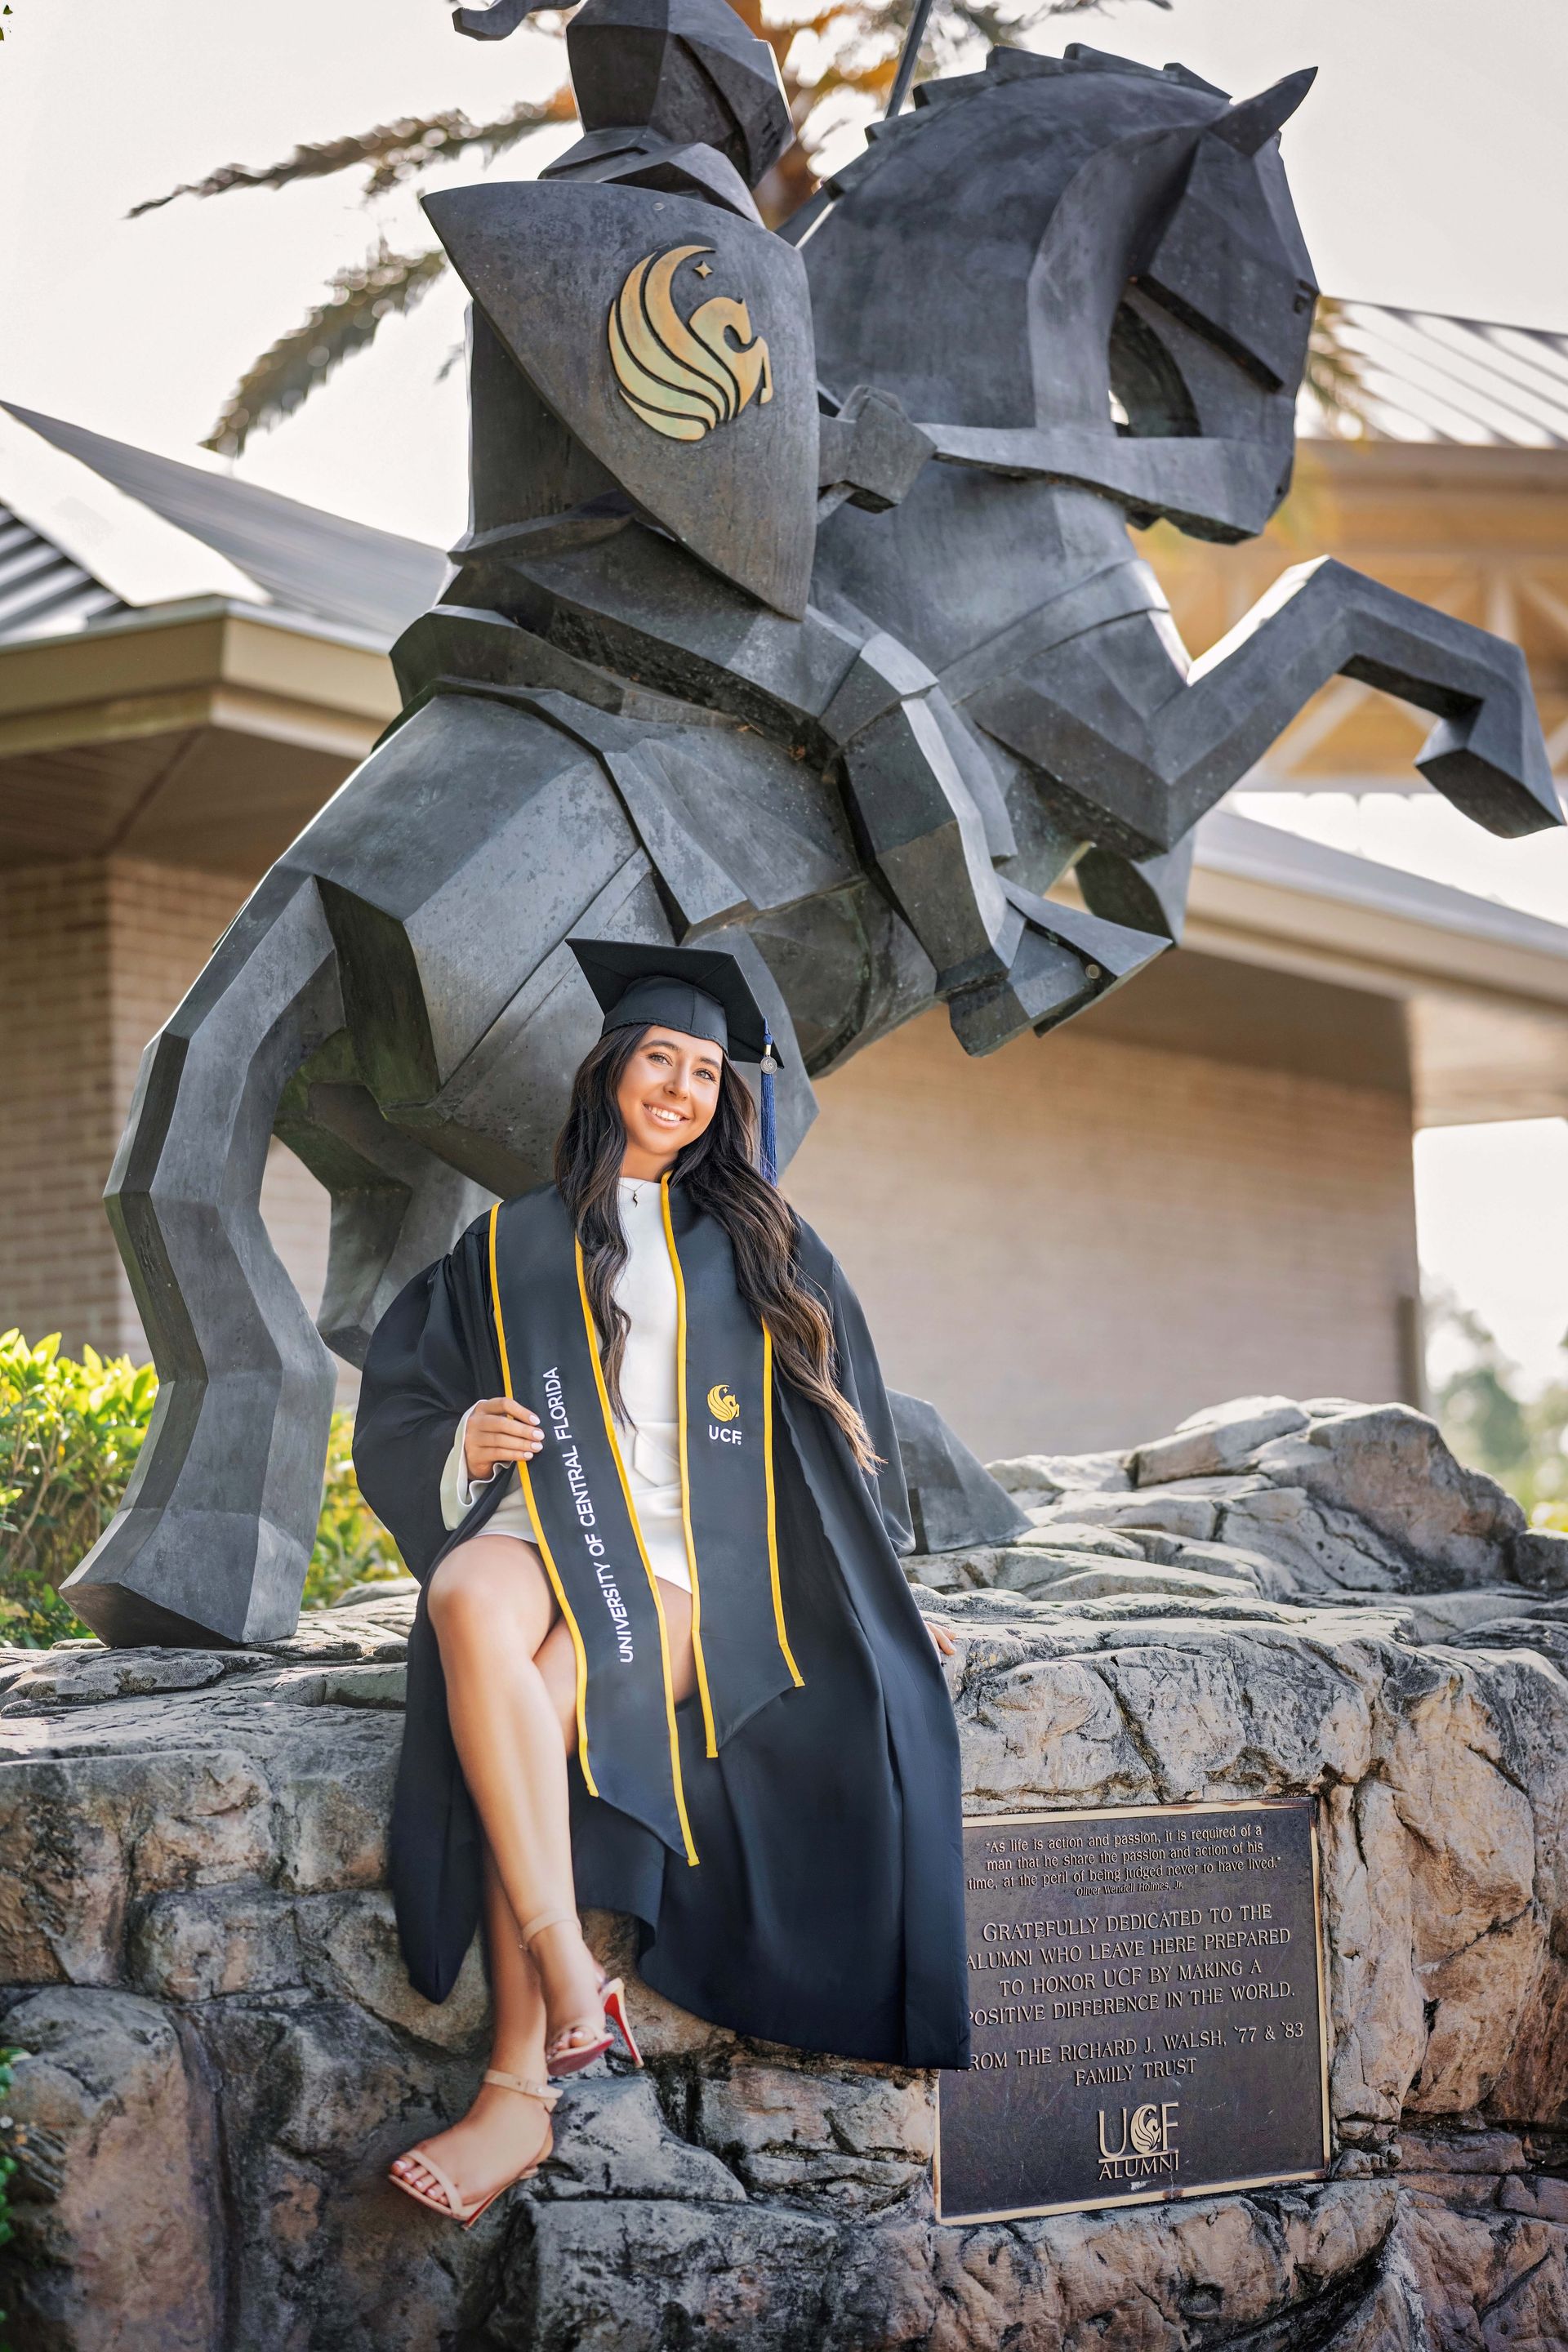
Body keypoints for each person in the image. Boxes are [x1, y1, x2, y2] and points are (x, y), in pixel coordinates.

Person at [354, 938, 969, 2227]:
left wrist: (886, 1599)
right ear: (614, 1070)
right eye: (660, 1060)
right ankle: (576, 1981)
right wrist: (461, 1439)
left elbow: (845, 1426)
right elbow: (405, 1397)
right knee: (466, 1600)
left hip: (696, 1564)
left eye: (704, 1072)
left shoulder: (764, 1243)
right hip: (544, 1522)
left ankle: (518, 2087)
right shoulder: (512, 1240)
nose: (682, 1088)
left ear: (721, 1101)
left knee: (552, 1706)